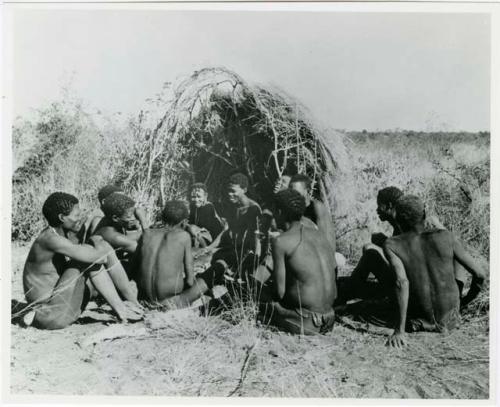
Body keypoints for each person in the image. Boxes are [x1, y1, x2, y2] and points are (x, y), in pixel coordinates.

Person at [22, 192, 142, 329]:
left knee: (98, 249)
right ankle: (123, 310)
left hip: (62, 308)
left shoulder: (59, 234)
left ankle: (133, 303)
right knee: (90, 258)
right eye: (77, 215)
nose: (80, 218)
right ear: (62, 217)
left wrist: (98, 242)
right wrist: (98, 241)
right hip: (50, 314)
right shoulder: (50, 240)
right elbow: (99, 258)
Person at [383, 195, 486, 347]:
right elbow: (480, 274)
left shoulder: (392, 244)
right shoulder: (445, 236)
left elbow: (402, 282)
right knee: (456, 259)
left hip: (418, 322)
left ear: (398, 218)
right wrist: (463, 303)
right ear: (424, 214)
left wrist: (399, 331)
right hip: (451, 321)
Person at [338, 186, 466, 304]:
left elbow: (454, 250)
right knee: (368, 254)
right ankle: (351, 289)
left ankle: (346, 294)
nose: (377, 210)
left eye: (379, 205)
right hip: (416, 284)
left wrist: (458, 289)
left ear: (389, 206)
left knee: (370, 253)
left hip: (420, 289)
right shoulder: (401, 225)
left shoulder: (422, 223)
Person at [259, 189, 337, 335]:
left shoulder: (281, 241)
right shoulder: (319, 234)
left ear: (280, 212)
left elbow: (279, 293)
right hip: (330, 319)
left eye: (274, 211)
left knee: (259, 294)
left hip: (305, 323)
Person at [132, 200, 226, 308]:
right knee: (217, 268)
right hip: (170, 301)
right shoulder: (183, 236)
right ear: (184, 222)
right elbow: (190, 280)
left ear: (162, 217)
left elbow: (133, 269)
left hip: (144, 299)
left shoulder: (146, 235)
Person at [209, 173, 262, 281]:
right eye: (228, 190)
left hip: (247, 252)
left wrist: (256, 260)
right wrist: (210, 247)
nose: (229, 194)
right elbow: (226, 230)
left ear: (244, 190)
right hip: (234, 249)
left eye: (233, 191)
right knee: (210, 256)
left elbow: (258, 238)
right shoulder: (234, 206)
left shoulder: (253, 209)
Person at [288, 174, 337, 269]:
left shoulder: (316, 207)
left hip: (322, 265)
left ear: (307, 191)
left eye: (296, 192)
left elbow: (327, 246)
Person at [93, 192, 143, 275]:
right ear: (115, 218)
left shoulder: (109, 223)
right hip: (103, 274)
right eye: (129, 216)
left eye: (134, 214)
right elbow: (145, 250)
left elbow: (127, 237)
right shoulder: (111, 234)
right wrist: (143, 221)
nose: (134, 218)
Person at [186, 182, 224, 249]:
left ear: (205, 196)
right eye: (193, 197)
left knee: (191, 228)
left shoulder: (208, 207)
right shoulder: (194, 207)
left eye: (199, 196)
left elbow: (204, 228)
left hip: (213, 239)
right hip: (202, 236)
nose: (196, 200)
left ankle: (205, 251)